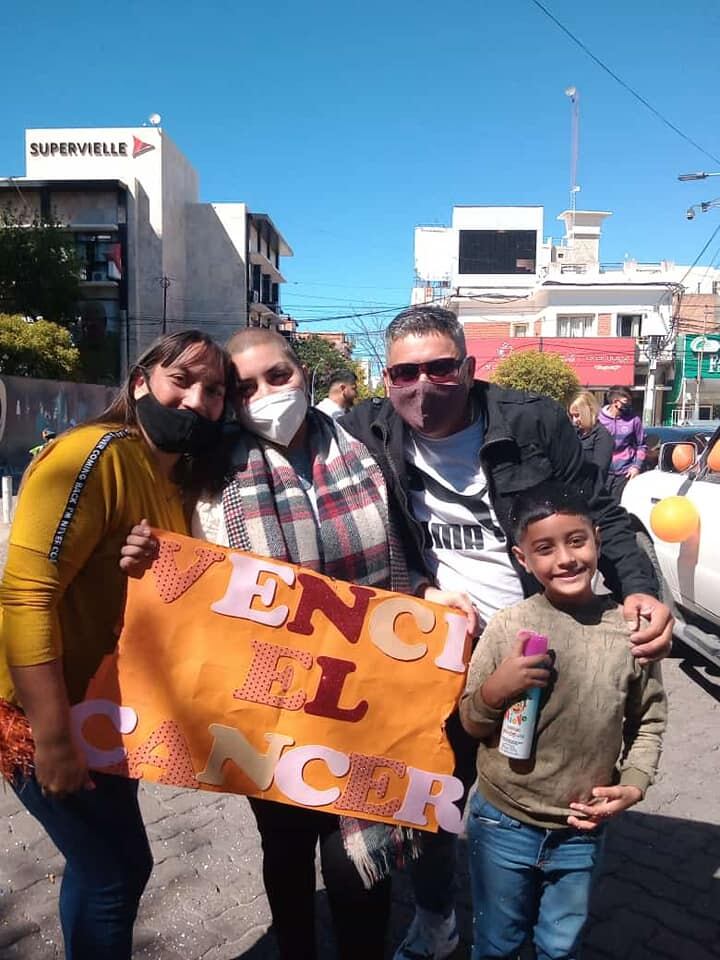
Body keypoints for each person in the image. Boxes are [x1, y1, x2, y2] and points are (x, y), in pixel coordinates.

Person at [122, 327, 468, 960]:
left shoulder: (367, 449)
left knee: (354, 862)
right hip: (266, 707)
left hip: (365, 702)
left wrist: (426, 594)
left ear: (303, 373)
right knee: (284, 850)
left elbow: (403, 546)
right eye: (245, 387)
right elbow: (182, 560)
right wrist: (146, 550)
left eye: (277, 377)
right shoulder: (208, 467)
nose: (265, 396)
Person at [340, 305, 672, 960]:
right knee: (431, 797)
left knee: (522, 783)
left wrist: (639, 587)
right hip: (433, 649)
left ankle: (533, 917)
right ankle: (438, 918)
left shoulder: (531, 421)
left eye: (440, 368)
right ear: (387, 379)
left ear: (467, 368)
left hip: (532, 641)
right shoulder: (368, 429)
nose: (423, 386)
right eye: (405, 372)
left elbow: (598, 507)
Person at [0, 330, 232, 960]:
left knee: (108, 866)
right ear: (140, 384)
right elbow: (24, 596)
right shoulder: (92, 455)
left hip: (108, 714)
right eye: (181, 380)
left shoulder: (174, 478)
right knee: (114, 870)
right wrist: (51, 739)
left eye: (213, 391)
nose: (195, 401)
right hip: (43, 715)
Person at [459, 482, 666, 960]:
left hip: (582, 828)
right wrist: (497, 689)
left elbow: (649, 721)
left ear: (597, 538)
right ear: (521, 558)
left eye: (577, 541)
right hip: (502, 823)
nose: (566, 559)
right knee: (497, 945)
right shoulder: (509, 627)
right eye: (544, 548)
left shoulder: (631, 631)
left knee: (560, 946)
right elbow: (470, 723)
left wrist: (632, 785)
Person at [597, 385, 647, 500]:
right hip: (602, 474)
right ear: (615, 402)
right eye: (626, 401)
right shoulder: (598, 419)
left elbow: (642, 445)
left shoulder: (634, 420)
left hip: (625, 474)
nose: (629, 404)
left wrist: (636, 467)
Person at [568, 390, 613, 482]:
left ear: (589, 411)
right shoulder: (575, 433)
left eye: (577, 415)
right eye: (572, 416)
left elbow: (599, 472)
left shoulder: (602, 435)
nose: (574, 421)